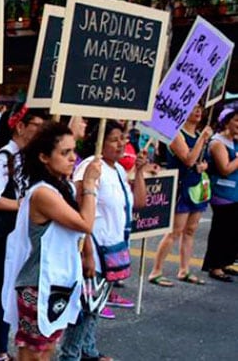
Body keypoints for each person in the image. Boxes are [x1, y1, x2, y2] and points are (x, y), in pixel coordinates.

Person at [3, 121, 100, 361]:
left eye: (73, 151)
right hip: (38, 284)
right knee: (33, 352)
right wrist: (88, 185)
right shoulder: (43, 193)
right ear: (44, 157)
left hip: (58, 282)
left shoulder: (61, 187)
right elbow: (86, 223)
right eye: (64, 152)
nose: (72, 158)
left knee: (48, 348)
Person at [58, 120, 155, 361]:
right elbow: (78, 211)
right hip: (95, 251)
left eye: (123, 137)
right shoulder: (90, 168)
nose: (122, 143)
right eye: (114, 139)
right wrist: (87, 253)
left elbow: (140, 203)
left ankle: (88, 351)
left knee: (96, 306)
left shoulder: (119, 170)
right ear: (99, 140)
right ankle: (69, 355)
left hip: (114, 251)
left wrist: (140, 172)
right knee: (85, 308)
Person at [0, 103, 45, 361]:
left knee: (11, 296)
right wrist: (25, 205)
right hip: (3, 239)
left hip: (20, 239)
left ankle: (1, 351)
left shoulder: (27, 157)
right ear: (20, 126)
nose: (41, 132)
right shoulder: (5, 157)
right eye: (36, 126)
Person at [149, 105, 212, 286]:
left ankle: (184, 269)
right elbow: (188, 159)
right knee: (175, 231)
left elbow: (200, 161)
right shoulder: (177, 135)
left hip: (197, 188)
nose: (198, 112)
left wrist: (204, 166)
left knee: (190, 230)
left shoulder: (199, 134)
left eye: (200, 108)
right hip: (181, 187)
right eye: (193, 108)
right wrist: (202, 139)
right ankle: (156, 271)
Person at [202, 106, 238, 282]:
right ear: (226, 121)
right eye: (236, 120)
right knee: (221, 229)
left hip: (235, 192)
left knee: (232, 230)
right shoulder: (218, 143)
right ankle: (215, 266)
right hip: (222, 192)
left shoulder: (234, 141)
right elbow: (225, 169)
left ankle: (225, 262)